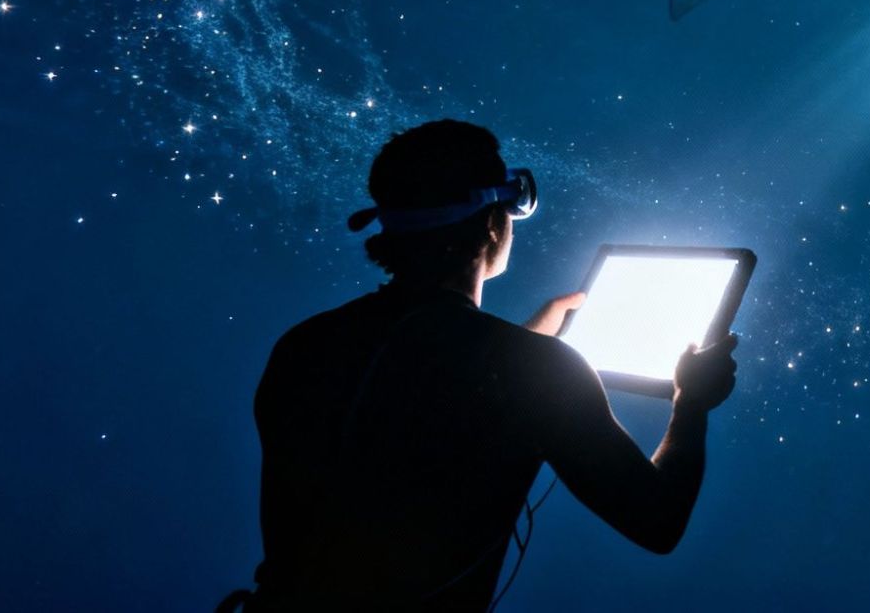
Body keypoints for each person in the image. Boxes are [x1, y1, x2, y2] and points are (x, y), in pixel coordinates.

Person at [224, 119, 739, 612]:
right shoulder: (533, 369)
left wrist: (528, 343)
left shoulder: (306, 344)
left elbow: (421, 399)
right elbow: (656, 520)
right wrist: (691, 402)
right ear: (492, 224)